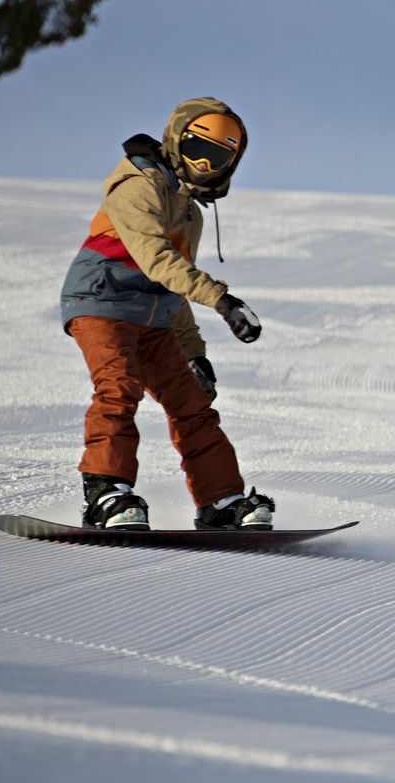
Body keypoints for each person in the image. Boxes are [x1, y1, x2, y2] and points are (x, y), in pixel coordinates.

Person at [58, 97, 273, 530]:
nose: (204, 165)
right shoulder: (139, 185)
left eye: (217, 158)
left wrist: (194, 353)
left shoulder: (189, 213)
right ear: (176, 141)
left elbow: (173, 284)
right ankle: (106, 491)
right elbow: (158, 260)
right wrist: (222, 300)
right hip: (103, 300)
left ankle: (221, 501)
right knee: (119, 388)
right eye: (198, 150)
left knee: (192, 404)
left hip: (154, 315)